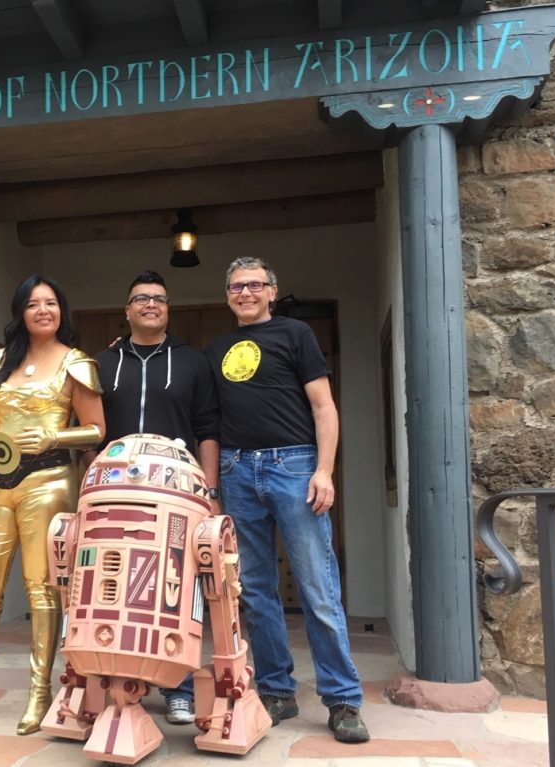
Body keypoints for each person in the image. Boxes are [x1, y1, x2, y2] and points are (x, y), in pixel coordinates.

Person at [204, 257, 369, 744]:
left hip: (293, 466)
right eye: (237, 286)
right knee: (254, 591)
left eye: (255, 285)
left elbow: (323, 405)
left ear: (272, 291)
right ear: (227, 294)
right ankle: (277, 690)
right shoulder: (216, 348)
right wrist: (213, 487)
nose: (246, 293)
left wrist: (324, 470)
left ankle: (342, 700)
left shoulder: (296, 334)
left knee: (317, 588)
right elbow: (209, 423)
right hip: (236, 470)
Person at [0, 275, 105, 735]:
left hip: (49, 480)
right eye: (33, 304)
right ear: (21, 313)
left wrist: (55, 435)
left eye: (51, 303)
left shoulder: (76, 363)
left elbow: (96, 430)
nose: (43, 310)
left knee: (41, 589)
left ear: (62, 311)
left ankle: (39, 691)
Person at [88, 270, 221, 726]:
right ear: (126, 310)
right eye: (141, 298)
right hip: (117, 493)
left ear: (168, 309)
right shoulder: (101, 364)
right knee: (118, 588)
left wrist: (211, 489)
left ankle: (179, 688)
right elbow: (91, 433)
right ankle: (125, 685)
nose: (151, 304)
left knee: (175, 589)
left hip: (178, 494)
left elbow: (207, 429)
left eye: (159, 299)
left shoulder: (192, 362)